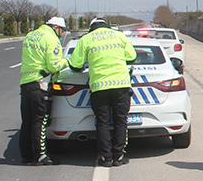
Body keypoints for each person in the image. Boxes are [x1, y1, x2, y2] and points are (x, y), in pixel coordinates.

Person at [68, 18, 137, 167]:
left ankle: (106, 157)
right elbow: (132, 57)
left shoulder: (86, 39)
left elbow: (75, 65)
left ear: (92, 28)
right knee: (121, 121)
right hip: (121, 86)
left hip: (99, 88)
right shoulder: (119, 36)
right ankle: (119, 156)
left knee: (102, 123)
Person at [19, 16, 70, 165]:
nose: (62, 34)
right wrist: (67, 61)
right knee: (40, 122)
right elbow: (53, 66)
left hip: (26, 83)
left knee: (27, 121)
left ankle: (26, 156)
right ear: (56, 28)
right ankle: (41, 155)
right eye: (62, 31)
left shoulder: (31, 35)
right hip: (40, 84)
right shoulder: (51, 39)